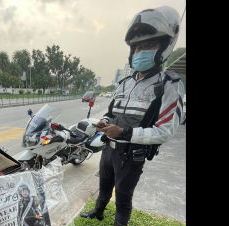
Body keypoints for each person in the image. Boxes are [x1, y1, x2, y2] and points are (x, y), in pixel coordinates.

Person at [79, 6, 184, 226]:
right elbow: (111, 112)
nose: (140, 52)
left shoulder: (168, 85)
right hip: (109, 148)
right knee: (104, 185)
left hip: (131, 154)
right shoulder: (125, 83)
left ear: (163, 47)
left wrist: (124, 132)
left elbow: (165, 131)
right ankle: (98, 212)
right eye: (137, 48)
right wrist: (105, 122)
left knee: (123, 197)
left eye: (148, 45)